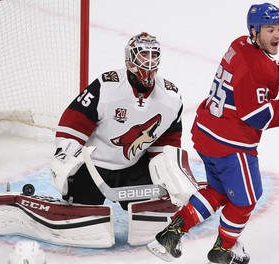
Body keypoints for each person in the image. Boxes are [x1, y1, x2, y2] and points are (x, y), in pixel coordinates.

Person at [149, 3, 279, 264]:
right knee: (246, 199)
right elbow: (257, 115)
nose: (276, 35)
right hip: (231, 145)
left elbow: (257, 76)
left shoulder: (240, 44)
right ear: (255, 30)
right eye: (269, 29)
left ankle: (172, 233)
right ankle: (223, 250)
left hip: (207, 133)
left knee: (218, 190)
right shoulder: (257, 66)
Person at [50, 32, 183, 211]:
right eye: (144, 54)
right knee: (83, 214)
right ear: (130, 56)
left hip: (133, 167)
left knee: (153, 211)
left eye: (154, 55)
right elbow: (73, 124)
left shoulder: (171, 98)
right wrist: (66, 157)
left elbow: (167, 140)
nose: (149, 61)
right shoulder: (106, 86)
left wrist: (167, 171)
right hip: (93, 167)